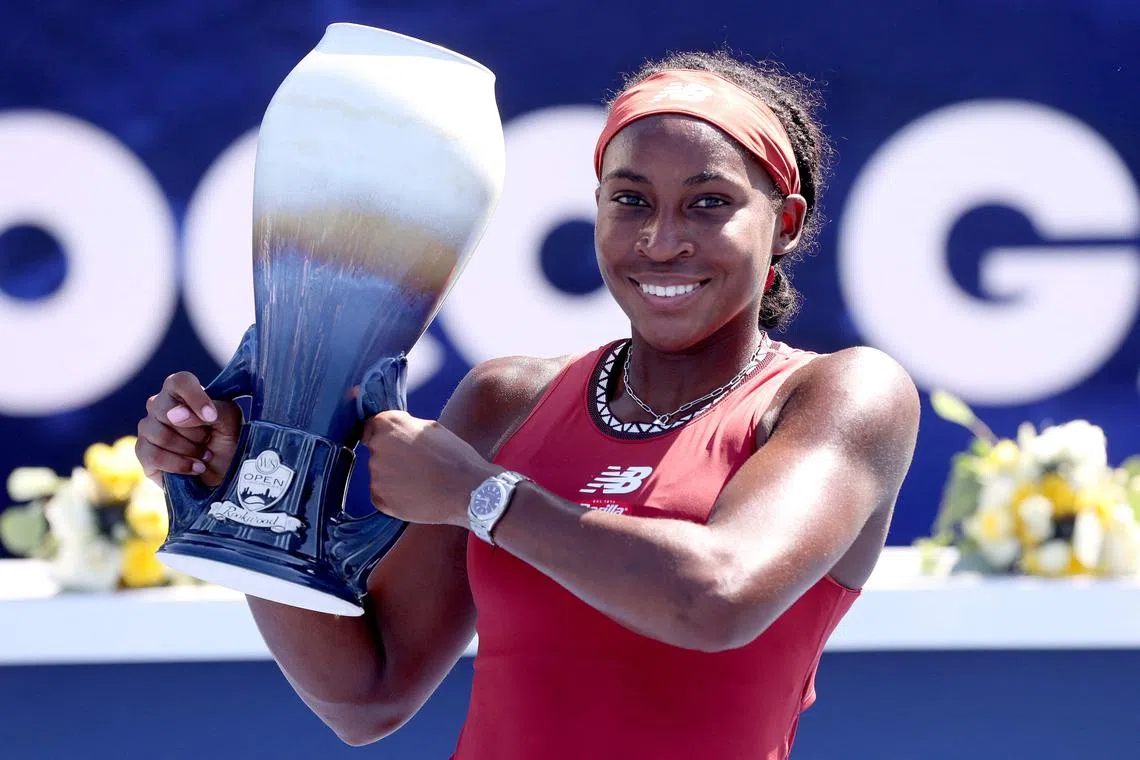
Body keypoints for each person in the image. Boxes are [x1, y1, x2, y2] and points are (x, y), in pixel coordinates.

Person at [136, 50, 920, 760]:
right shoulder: (507, 400)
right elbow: (365, 697)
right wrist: (246, 495)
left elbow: (714, 601)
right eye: (631, 200)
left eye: (709, 203)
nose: (661, 240)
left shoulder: (843, 394)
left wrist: (482, 496)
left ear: (783, 225)